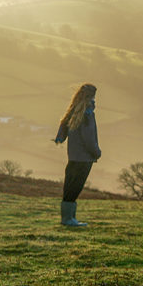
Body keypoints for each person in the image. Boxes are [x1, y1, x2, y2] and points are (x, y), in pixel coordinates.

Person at [53, 83, 101, 227]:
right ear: (91, 96)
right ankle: (69, 219)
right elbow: (89, 138)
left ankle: (68, 218)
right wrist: (97, 153)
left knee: (69, 188)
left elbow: (63, 127)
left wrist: (60, 138)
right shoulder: (87, 113)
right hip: (84, 158)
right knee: (76, 188)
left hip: (73, 156)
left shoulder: (73, 111)